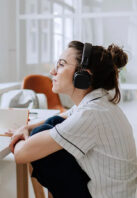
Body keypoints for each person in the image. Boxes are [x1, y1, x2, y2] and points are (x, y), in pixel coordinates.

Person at [8, 41, 137, 198]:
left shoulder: (91, 114)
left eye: (61, 64)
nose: (52, 71)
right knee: (52, 124)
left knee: (42, 140)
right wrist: (26, 128)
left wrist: (24, 138)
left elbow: (21, 155)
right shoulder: (98, 102)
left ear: (82, 75)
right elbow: (65, 115)